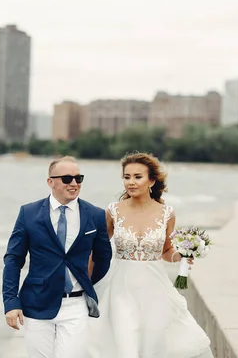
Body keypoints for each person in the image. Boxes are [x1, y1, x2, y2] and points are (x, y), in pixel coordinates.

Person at [87, 152, 213, 358]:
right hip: (120, 287)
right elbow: (98, 250)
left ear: (151, 181)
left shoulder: (166, 213)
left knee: (154, 343)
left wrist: (180, 257)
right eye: (127, 177)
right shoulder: (113, 211)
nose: (131, 182)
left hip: (155, 288)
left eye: (138, 177)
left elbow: (166, 251)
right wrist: (87, 283)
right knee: (124, 339)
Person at [2, 156, 113, 358]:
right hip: (36, 302)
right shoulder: (28, 213)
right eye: (67, 179)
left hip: (76, 305)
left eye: (78, 178)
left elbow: (104, 257)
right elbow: (13, 259)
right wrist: (10, 302)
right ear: (50, 182)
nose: (74, 184)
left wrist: (86, 282)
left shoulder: (96, 215)